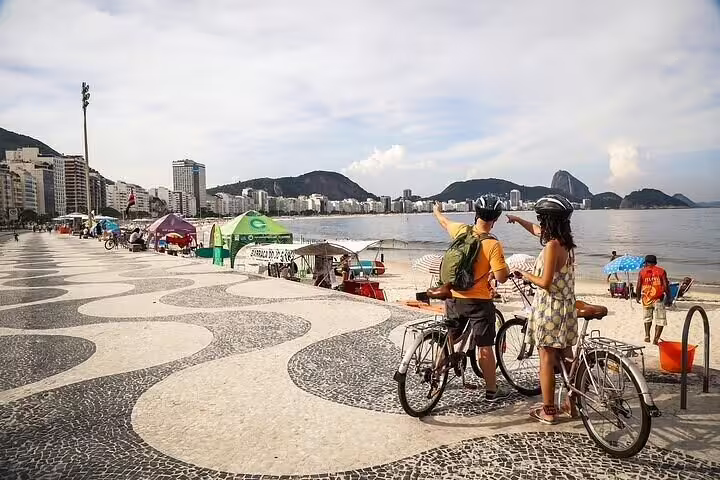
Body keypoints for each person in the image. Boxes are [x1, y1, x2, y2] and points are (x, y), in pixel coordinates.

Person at [432, 195, 511, 402]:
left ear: (475, 214)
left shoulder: (460, 231)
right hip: (478, 303)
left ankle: (436, 373)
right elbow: (502, 277)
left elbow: (443, 221)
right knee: (485, 346)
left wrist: (437, 210)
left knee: (450, 336)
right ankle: (492, 391)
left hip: (452, 297)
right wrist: (503, 269)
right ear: (496, 219)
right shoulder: (493, 244)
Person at [507, 194, 577, 425]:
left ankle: (548, 411)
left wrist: (523, 273)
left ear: (548, 220)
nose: (540, 224)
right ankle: (572, 404)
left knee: (546, 359)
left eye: (541, 219)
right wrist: (518, 220)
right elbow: (537, 230)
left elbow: (545, 282)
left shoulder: (551, 246)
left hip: (550, 309)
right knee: (567, 356)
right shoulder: (566, 242)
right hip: (567, 308)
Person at [635, 255, 670, 344]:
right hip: (658, 298)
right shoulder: (661, 271)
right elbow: (666, 286)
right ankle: (656, 339)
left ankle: (647, 336)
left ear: (646, 263)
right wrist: (669, 297)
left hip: (646, 298)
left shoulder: (642, 272)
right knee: (660, 319)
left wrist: (638, 296)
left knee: (647, 318)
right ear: (655, 262)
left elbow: (638, 285)